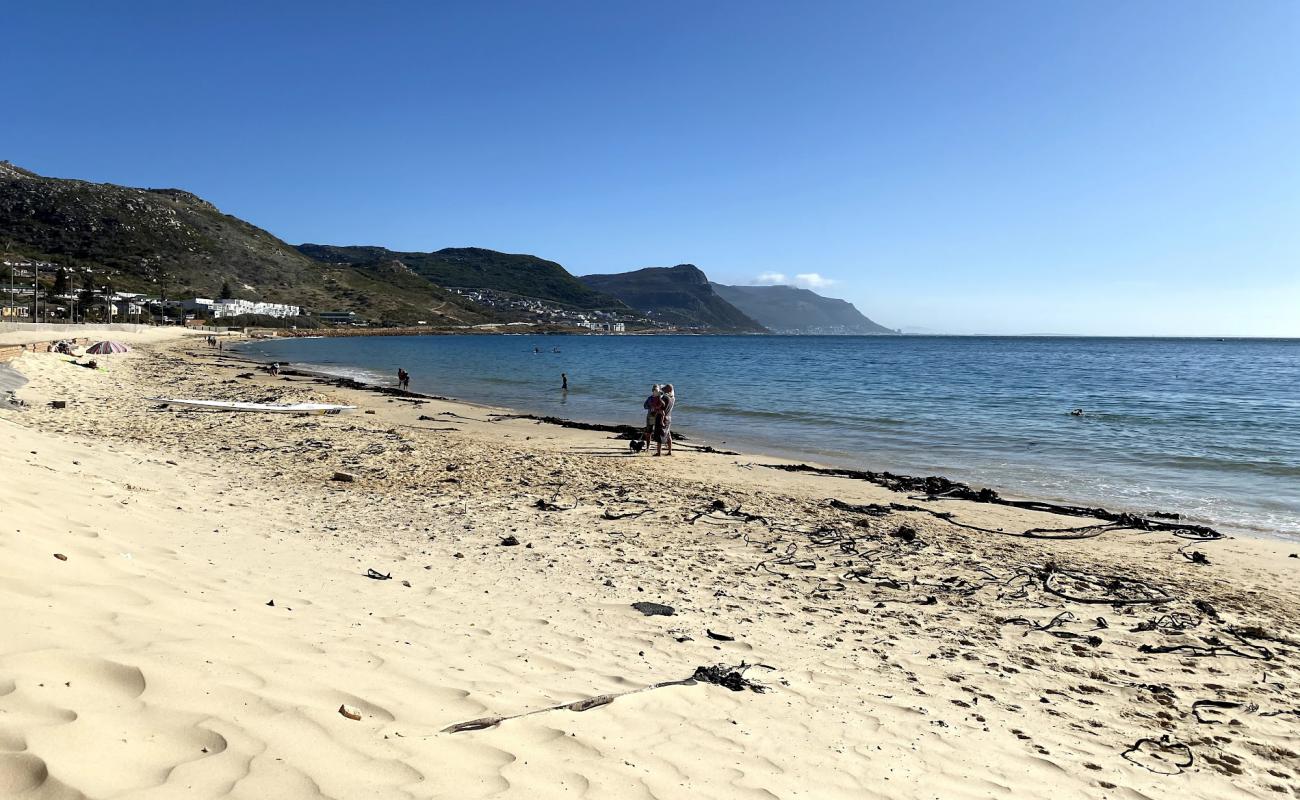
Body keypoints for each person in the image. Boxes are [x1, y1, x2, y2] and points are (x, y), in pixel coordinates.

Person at [655, 384, 675, 456]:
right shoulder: (673, 398)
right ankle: (670, 451)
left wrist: (659, 398)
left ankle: (659, 452)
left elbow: (661, 407)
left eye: (664, 389)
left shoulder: (665, 398)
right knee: (668, 434)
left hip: (662, 417)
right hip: (669, 417)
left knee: (659, 435)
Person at [641, 385, 662, 453]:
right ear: (652, 391)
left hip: (658, 417)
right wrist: (650, 407)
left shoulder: (660, 398)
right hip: (650, 416)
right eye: (654, 390)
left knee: (659, 433)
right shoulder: (649, 398)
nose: (655, 392)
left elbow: (663, 406)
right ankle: (647, 447)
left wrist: (657, 408)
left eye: (657, 390)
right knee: (648, 432)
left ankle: (660, 448)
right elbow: (644, 406)